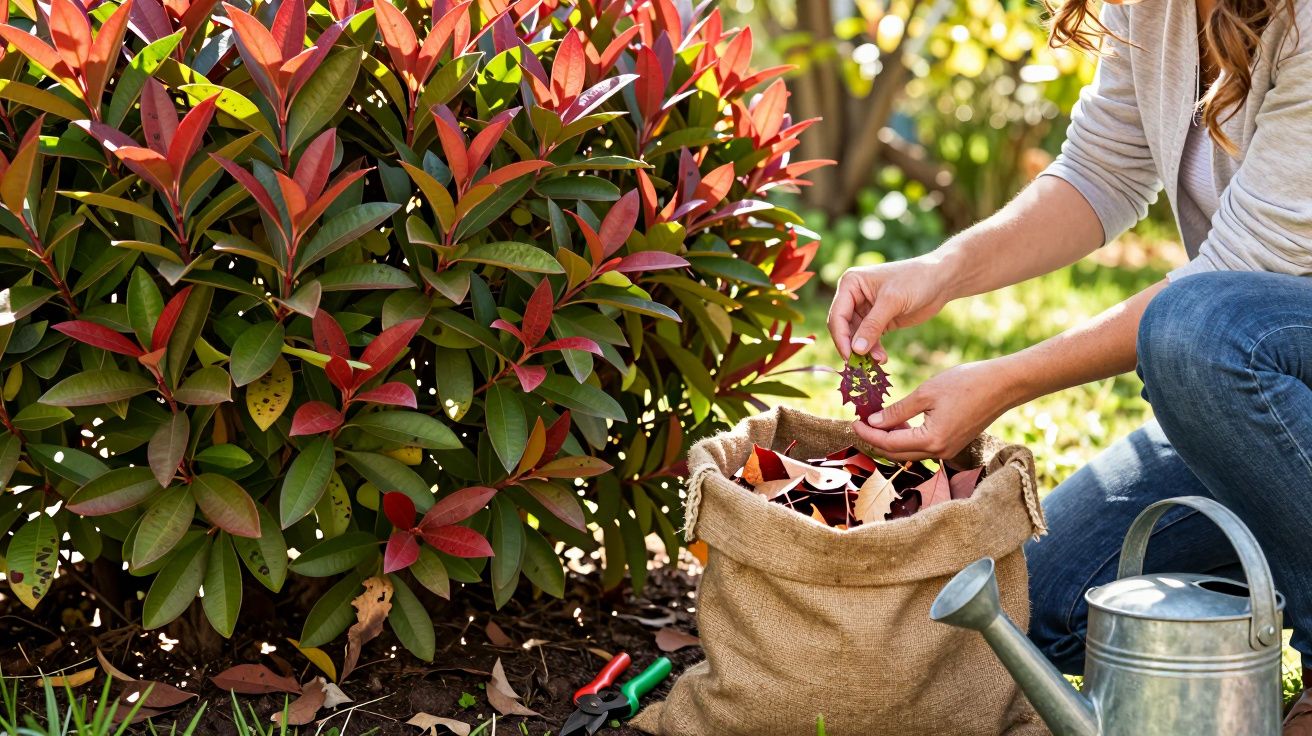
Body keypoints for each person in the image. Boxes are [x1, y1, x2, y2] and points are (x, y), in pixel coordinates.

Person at [826, 0, 1312, 730]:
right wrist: (938, 269)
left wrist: (1004, 381)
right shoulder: (1162, 9)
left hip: (1253, 356)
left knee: (1197, 334)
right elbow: (1100, 171)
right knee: (1040, 602)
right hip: (1272, 402)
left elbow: (1246, 270)